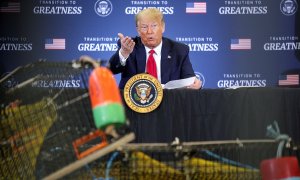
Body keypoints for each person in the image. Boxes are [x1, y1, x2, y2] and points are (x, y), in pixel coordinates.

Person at [108, 8, 202, 89]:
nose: (149, 31)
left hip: (168, 104)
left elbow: (189, 79)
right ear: (138, 30)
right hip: (134, 103)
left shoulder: (179, 50)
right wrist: (124, 53)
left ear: (163, 27)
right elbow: (111, 69)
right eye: (144, 27)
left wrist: (195, 84)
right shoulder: (129, 46)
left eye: (154, 26)